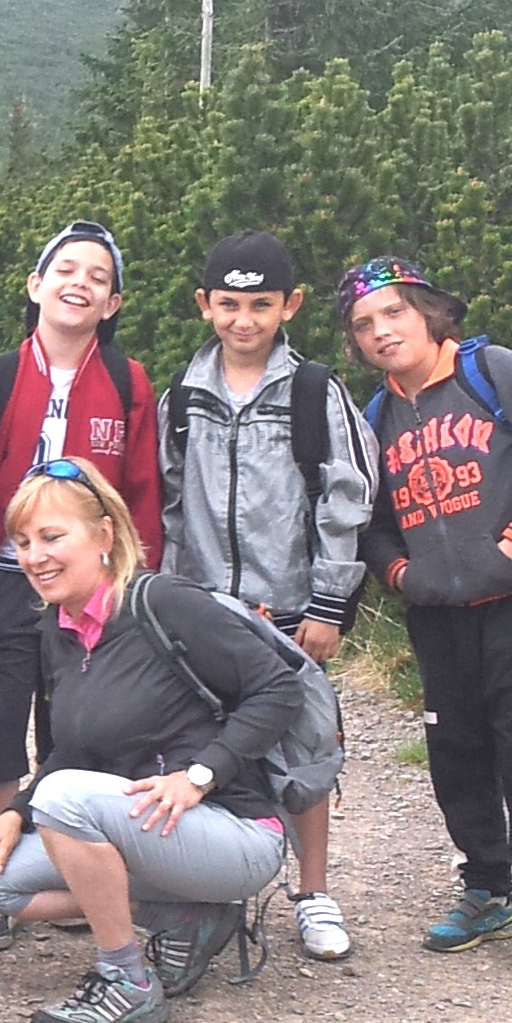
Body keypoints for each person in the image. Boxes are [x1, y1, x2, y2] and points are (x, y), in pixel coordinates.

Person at [0, 460, 304, 1023]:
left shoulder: (164, 603)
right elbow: (71, 749)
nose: (34, 556)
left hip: (233, 831)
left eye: (52, 537)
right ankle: (186, 914)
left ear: (105, 537)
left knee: (63, 801)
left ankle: (127, 982)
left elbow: (278, 687)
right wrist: (14, 813)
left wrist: (200, 775)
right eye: (23, 541)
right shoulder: (58, 629)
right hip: (146, 828)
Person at [341, 256, 512, 984]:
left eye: (394, 313)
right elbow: (372, 519)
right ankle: (485, 888)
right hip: (440, 614)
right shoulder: (376, 416)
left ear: (429, 312)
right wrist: (397, 574)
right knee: (456, 752)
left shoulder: (494, 370)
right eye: (364, 325)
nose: (382, 332)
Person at [156, 230, 377, 962]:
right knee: (208, 747)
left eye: (260, 304)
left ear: (291, 305)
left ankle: (311, 893)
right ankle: (212, 891)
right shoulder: (182, 399)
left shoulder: (315, 392)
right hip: (206, 608)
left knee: (305, 747)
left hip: (289, 608)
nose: (243, 320)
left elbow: (345, 500)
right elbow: (169, 507)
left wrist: (328, 605)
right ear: (204, 305)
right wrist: (170, 599)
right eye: (228, 304)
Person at [0, 221, 163, 829]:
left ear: (112, 303)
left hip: (92, 584)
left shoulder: (130, 383)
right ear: (35, 285)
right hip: (2, 576)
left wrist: (135, 584)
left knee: (78, 733)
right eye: (66, 271)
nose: (81, 284)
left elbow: (142, 493)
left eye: (98, 278)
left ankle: (65, 865)